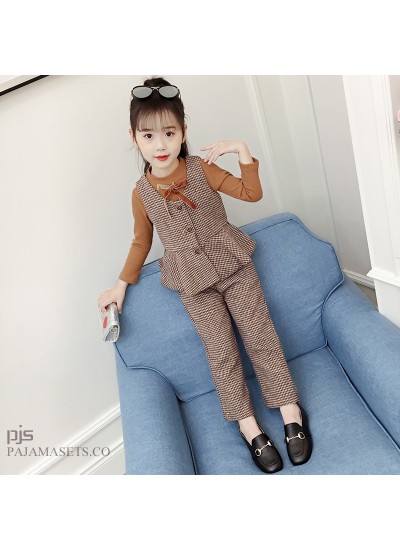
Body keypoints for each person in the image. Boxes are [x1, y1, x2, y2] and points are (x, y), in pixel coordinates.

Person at [98, 76, 312, 473]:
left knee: (260, 336)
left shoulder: (202, 169)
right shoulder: (141, 193)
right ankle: (248, 426)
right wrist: (120, 286)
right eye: (148, 135)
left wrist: (242, 150)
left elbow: (251, 194)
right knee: (221, 352)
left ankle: (290, 410)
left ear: (183, 131)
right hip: (192, 282)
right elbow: (141, 242)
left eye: (169, 132)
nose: (160, 145)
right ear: (133, 137)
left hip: (234, 266)